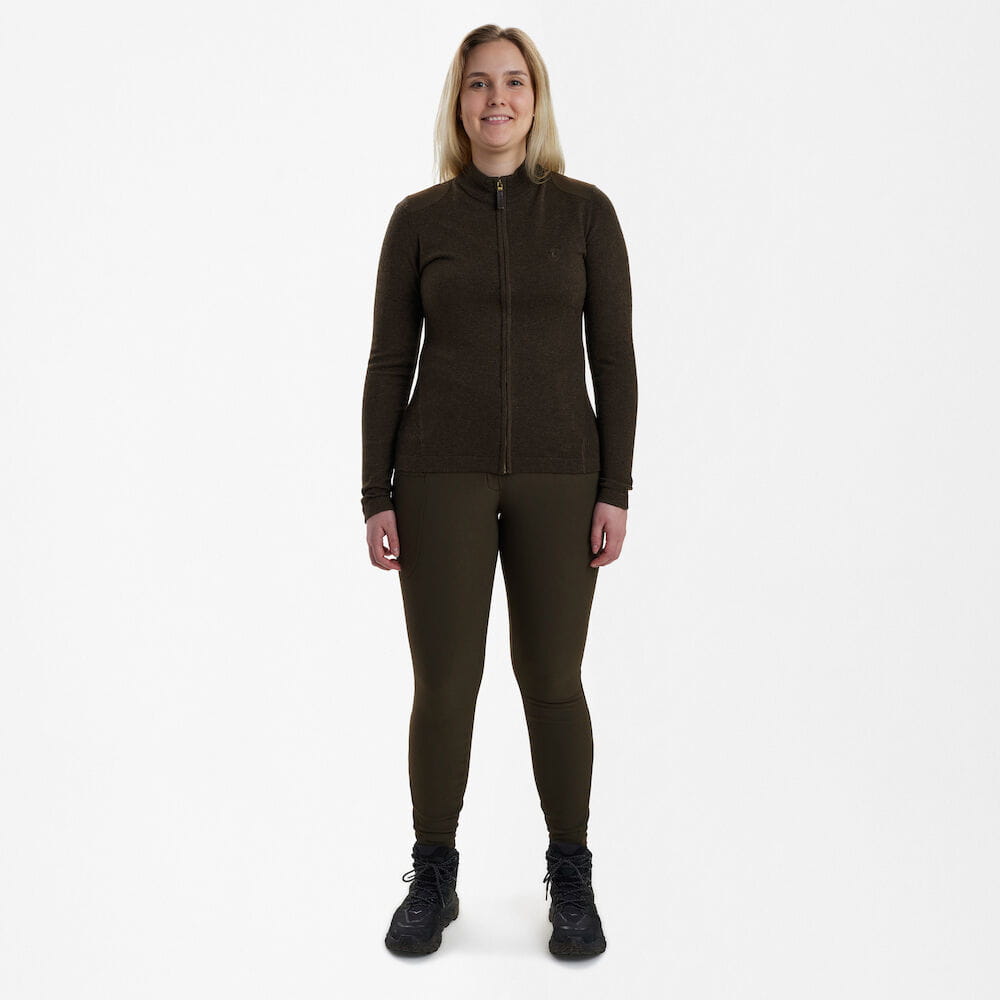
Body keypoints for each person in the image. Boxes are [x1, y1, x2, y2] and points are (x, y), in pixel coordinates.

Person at [361, 24, 638, 958]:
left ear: (536, 98)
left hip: (563, 473)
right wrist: (375, 493)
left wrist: (615, 487)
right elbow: (388, 362)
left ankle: (572, 874)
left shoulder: (587, 215)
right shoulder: (418, 221)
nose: (497, 99)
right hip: (437, 471)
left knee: (553, 680)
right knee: (445, 684)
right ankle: (433, 873)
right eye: (479, 84)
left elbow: (616, 363)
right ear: (459, 101)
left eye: (514, 82)